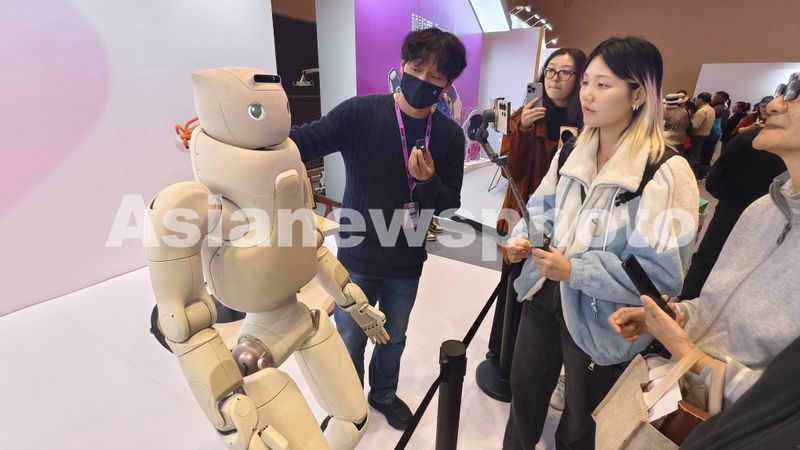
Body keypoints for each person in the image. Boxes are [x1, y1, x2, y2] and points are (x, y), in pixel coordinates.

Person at [501, 36, 699, 449]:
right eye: (586, 82)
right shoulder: (573, 149)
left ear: (638, 94)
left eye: (603, 85)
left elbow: (660, 276)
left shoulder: (664, 171)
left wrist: (575, 270)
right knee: (524, 393)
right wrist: (522, 239)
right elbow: (542, 208)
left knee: (581, 422)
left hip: (602, 318)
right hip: (543, 294)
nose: (587, 94)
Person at [289, 28, 468, 430]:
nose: (422, 80)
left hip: (406, 259)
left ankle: (383, 395)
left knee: (394, 337)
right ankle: (348, 402)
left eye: (435, 76)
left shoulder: (448, 136)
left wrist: (426, 182)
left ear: (447, 84)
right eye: (416, 68)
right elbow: (301, 141)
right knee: (349, 337)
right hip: (357, 255)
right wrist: (232, 136)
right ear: (402, 65)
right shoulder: (360, 113)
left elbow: (449, 202)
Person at [609, 72, 800, 410]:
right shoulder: (763, 209)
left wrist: (688, 353)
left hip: (732, 425)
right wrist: (677, 316)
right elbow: (715, 307)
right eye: (784, 90)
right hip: (680, 397)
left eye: (796, 94)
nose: (773, 105)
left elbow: (785, 412)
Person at [485, 47, 586, 409]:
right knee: (511, 285)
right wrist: (523, 130)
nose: (555, 79)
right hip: (521, 213)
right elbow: (510, 170)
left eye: (565, 72)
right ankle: (501, 352)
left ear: (579, 79)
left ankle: (532, 366)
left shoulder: (587, 122)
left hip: (564, 223)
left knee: (545, 294)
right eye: (550, 71)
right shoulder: (523, 116)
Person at [678, 125, 786, 299]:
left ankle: (685, 303)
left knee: (706, 260)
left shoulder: (750, 138)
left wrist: (730, 196)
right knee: (747, 272)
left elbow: (713, 182)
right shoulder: (787, 152)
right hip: (772, 226)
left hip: (730, 212)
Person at [688, 92, 715, 179]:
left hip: (696, 137)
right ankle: (695, 175)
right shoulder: (711, 109)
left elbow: (695, 126)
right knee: (697, 156)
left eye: (696, 98)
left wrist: (689, 121)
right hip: (704, 137)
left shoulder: (702, 111)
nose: (695, 100)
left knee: (692, 157)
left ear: (700, 99)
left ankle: (691, 176)